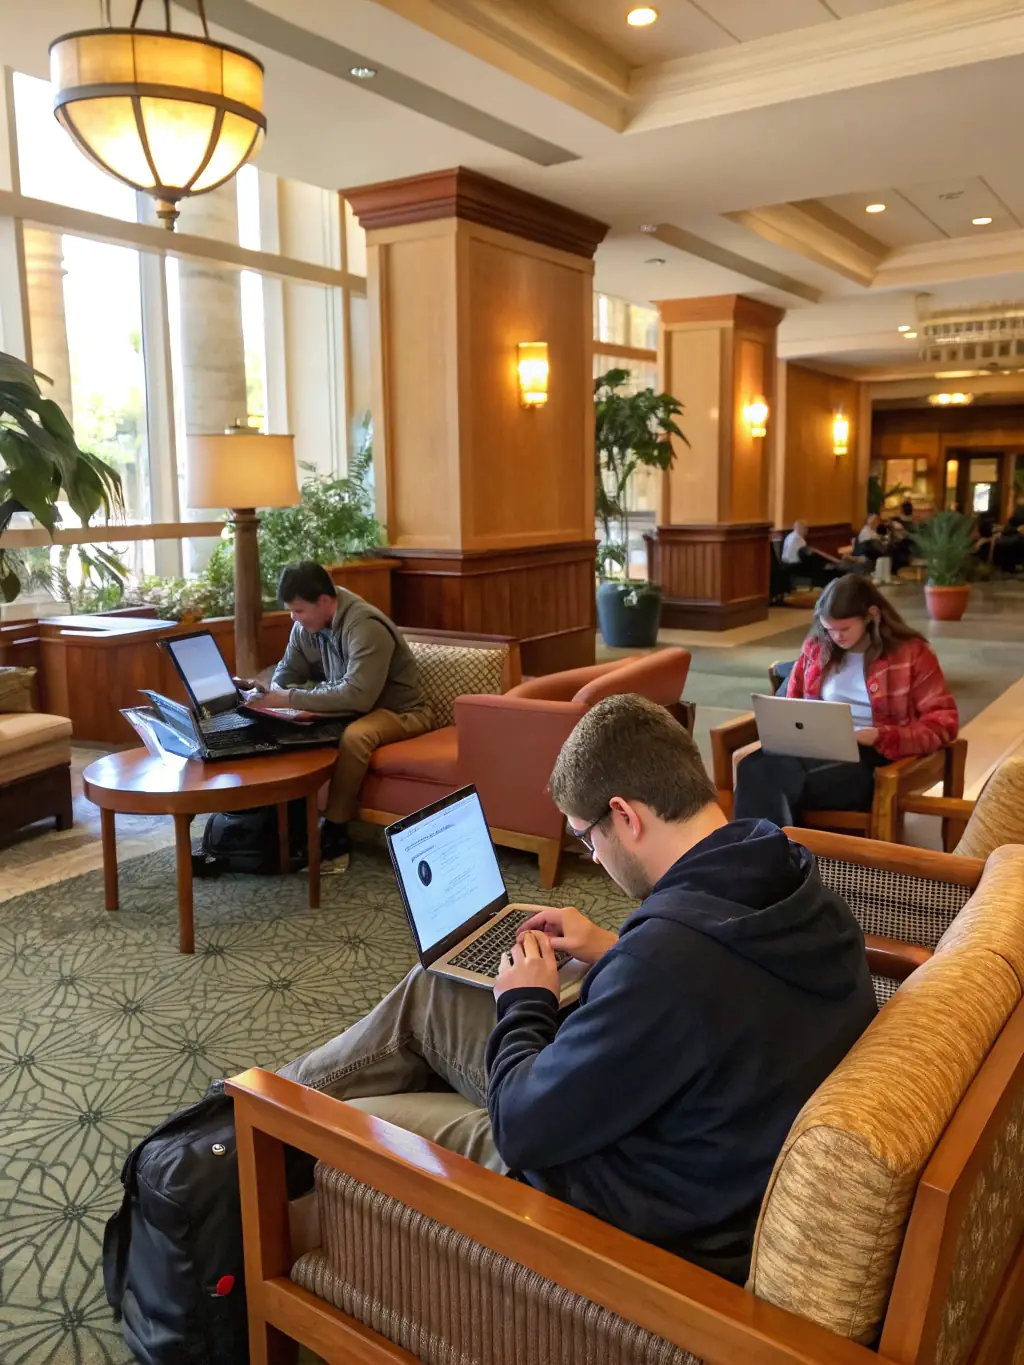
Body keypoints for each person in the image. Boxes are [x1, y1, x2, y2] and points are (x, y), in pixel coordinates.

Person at [281, 695, 877, 1284]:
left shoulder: (665, 965)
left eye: (587, 839)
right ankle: (250, 1108)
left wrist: (525, 1002)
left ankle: (259, 1126)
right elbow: (724, 989)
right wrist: (612, 948)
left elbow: (520, 1129)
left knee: (343, 1118)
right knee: (430, 989)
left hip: (599, 1203)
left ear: (625, 815)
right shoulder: (789, 871)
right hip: (699, 1132)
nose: (594, 860)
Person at [241, 561, 431, 871]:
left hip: (399, 712)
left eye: (299, 611)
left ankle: (336, 831)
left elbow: (359, 695)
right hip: (353, 707)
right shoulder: (307, 626)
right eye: (291, 611)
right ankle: (286, 827)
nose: (294, 618)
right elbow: (286, 674)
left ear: (325, 601)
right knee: (284, 722)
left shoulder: (365, 625)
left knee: (355, 736)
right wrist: (273, 697)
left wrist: (290, 697)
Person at [735, 575, 959, 827]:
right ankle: (772, 856)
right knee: (751, 767)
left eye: (844, 629)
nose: (836, 637)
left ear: (870, 616)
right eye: (829, 629)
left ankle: (766, 857)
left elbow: (943, 724)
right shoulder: (818, 648)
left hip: (873, 757)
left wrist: (879, 735)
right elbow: (791, 703)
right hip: (814, 747)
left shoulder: (911, 654)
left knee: (773, 777)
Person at [781, 519, 858, 587]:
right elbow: (807, 554)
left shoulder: (789, 536)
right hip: (796, 566)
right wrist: (833, 560)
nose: (806, 530)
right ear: (801, 528)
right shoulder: (798, 538)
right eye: (805, 528)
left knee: (820, 562)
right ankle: (829, 585)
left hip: (786, 565)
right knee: (820, 565)